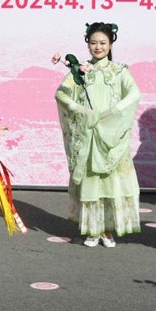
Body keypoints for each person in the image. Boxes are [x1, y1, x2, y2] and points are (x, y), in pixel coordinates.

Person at [55, 22, 141, 248]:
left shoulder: (119, 71)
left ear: (111, 43)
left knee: (111, 182)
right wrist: (81, 111)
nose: (98, 47)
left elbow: (133, 94)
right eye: (93, 43)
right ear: (87, 44)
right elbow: (62, 95)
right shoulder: (80, 70)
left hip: (111, 135)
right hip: (89, 134)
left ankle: (108, 229)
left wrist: (113, 113)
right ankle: (92, 229)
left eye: (103, 42)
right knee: (91, 181)